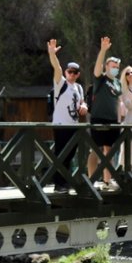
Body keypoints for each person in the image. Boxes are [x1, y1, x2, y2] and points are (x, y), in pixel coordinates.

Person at [47, 39, 87, 193]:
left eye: (75, 72)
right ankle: (59, 184)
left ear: (78, 74)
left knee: (70, 156)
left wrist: (84, 106)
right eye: (69, 71)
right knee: (61, 154)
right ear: (66, 72)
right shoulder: (60, 83)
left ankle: (65, 182)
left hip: (74, 125)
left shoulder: (78, 87)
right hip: (61, 124)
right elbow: (56, 67)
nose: (72, 74)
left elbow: (82, 103)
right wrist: (52, 54)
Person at [87, 37, 122, 191]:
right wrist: (103, 50)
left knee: (109, 151)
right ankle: (91, 180)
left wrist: (119, 121)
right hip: (98, 118)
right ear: (107, 66)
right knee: (95, 149)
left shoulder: (118, 83)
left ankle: (107, 181)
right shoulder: (100, 79)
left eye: (117, 67)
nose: (115, 68)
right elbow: (96, 69)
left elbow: (118, 102)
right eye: (112, 66)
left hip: (113, 120)